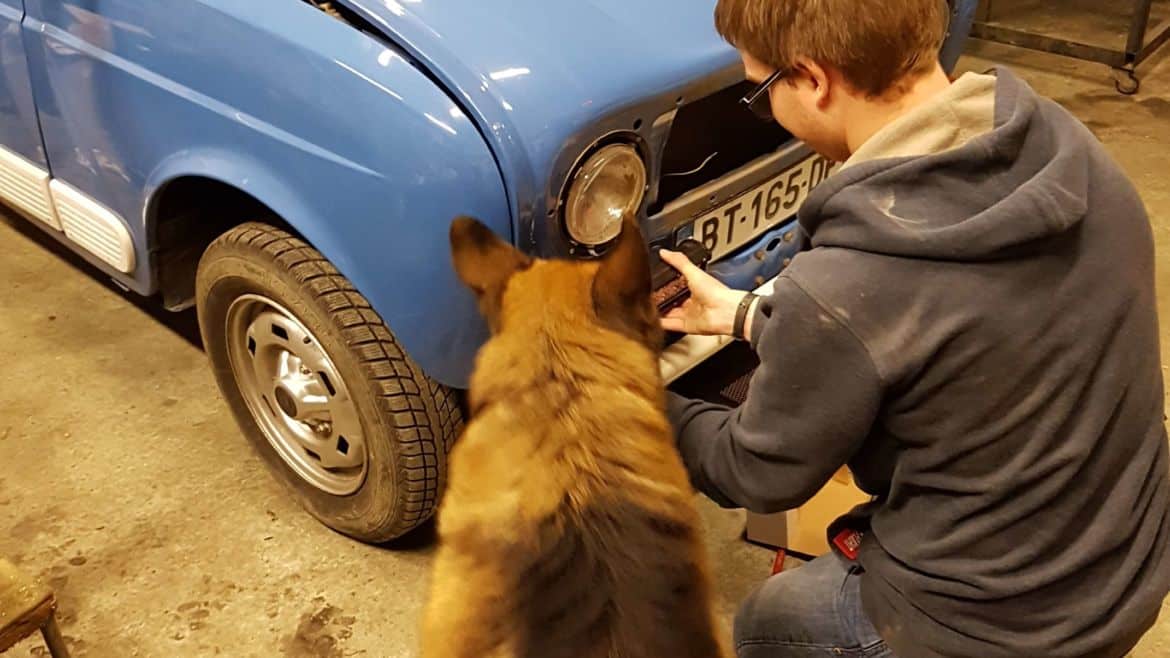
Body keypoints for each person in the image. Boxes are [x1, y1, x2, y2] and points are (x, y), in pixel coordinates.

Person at [659, 1, 1170, 657]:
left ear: (814, 80)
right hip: (1130, 570)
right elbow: (931, 329)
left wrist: (638, 400)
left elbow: (754, 473)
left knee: (773, 620)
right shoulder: (1071, 156)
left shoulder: (848, 285)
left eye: (758, 94)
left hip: (999, 631)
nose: (764, 113)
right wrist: (740, 314)